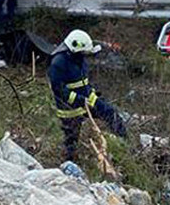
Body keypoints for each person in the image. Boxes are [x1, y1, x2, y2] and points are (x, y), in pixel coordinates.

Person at [48, 29, 127, 163]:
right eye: (84, 52)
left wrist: (93, 95)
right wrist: (79, 100)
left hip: (87, 100)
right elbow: (59, 90)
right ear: (75, 49)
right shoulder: (58, 63)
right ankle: (69, 163)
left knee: (111, 113)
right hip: (69, 109)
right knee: (71, 141)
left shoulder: (79, 61)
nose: (85, 55)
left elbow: (84, 82)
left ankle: (125, 144)